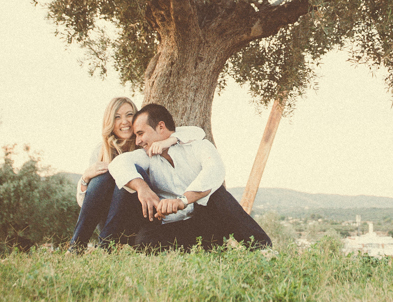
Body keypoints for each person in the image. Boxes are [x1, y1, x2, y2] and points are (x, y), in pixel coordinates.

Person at [108, 103, 272, 251]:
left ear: (161, 127)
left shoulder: (198, 146)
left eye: (141, 133)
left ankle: (262, 249)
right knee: (145, 242)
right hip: (173, 226)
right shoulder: (147, 156)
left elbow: (214, 171)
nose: (137, 141)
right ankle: (200, 251)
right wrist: (142, 188)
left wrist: (182, 200)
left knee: (216, 194)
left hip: (204, 221)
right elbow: (118, 163)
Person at [68, 97, 144, 252]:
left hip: (136, 221)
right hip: (108, 221)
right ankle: (76, 247)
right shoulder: (100, 150)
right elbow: (87, 205)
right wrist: (85, 179)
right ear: (110, 122)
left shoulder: (143, 146)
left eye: (129, 115)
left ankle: (104, 246)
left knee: (124, 173)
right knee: (103, 174)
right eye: (117, 117)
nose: (124, 122)